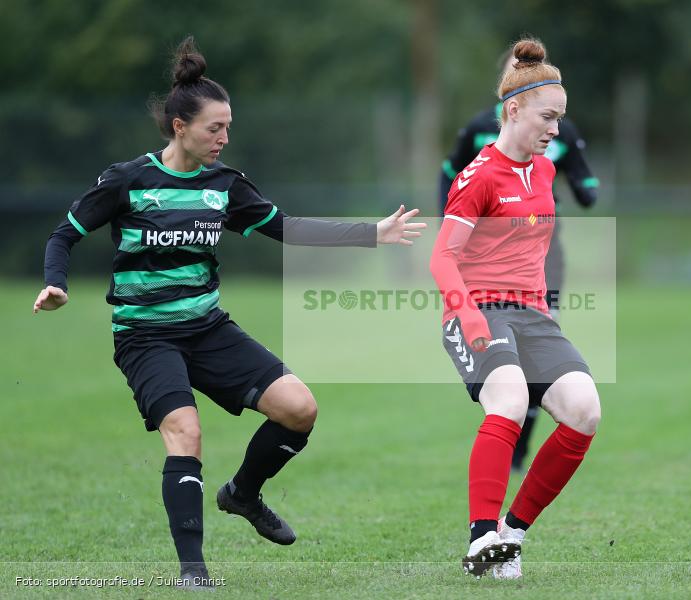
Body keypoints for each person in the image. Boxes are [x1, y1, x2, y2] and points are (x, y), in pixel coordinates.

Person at [32, 37, 425, 589]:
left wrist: (372, 234)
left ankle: (242, 493)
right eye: (214, 128)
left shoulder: (225, 186)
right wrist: (55, 284)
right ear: (179, 127)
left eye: (228, 127)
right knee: (185, 431)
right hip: (145, 336)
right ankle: (193, 572)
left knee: (299, 409)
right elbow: (64, 235)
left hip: (207, 328)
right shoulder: (129, 180)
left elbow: (286, 228)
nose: (224, 137)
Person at [430, 38, 601, 580]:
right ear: (514, 109)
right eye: (549, 117)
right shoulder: (478, 176)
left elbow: (532, 250)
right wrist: (471, 315)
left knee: (584, 410)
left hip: (531, 315)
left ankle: (511, 533)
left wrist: (541, 308)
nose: (556, 129)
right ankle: (481, 539)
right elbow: (441, 259)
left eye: (561, 118)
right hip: (477, 311)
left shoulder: (546, 171)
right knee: (506, 399)